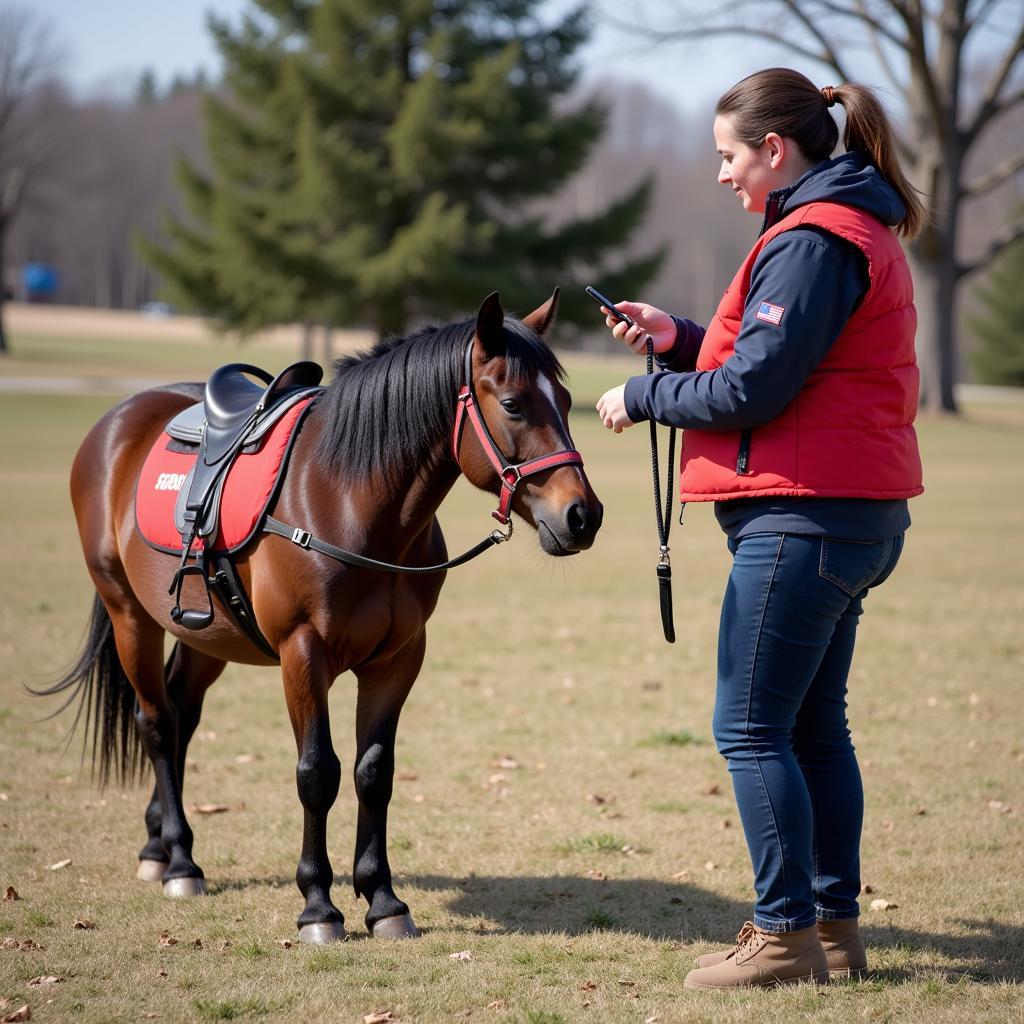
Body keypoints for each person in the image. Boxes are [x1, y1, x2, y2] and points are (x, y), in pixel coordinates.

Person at [595, 67, 925, 990]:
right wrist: (681, 336)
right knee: (815, 725)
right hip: (847, 517)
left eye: (728, 156)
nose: (721, 174)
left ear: (774, 151)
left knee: (748, 726)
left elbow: (756, 388)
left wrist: (643, 393)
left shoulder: (814, 238)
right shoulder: (840, 226)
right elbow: (777, 361)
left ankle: (783, 937)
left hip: (804, 522)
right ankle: (834, 930)